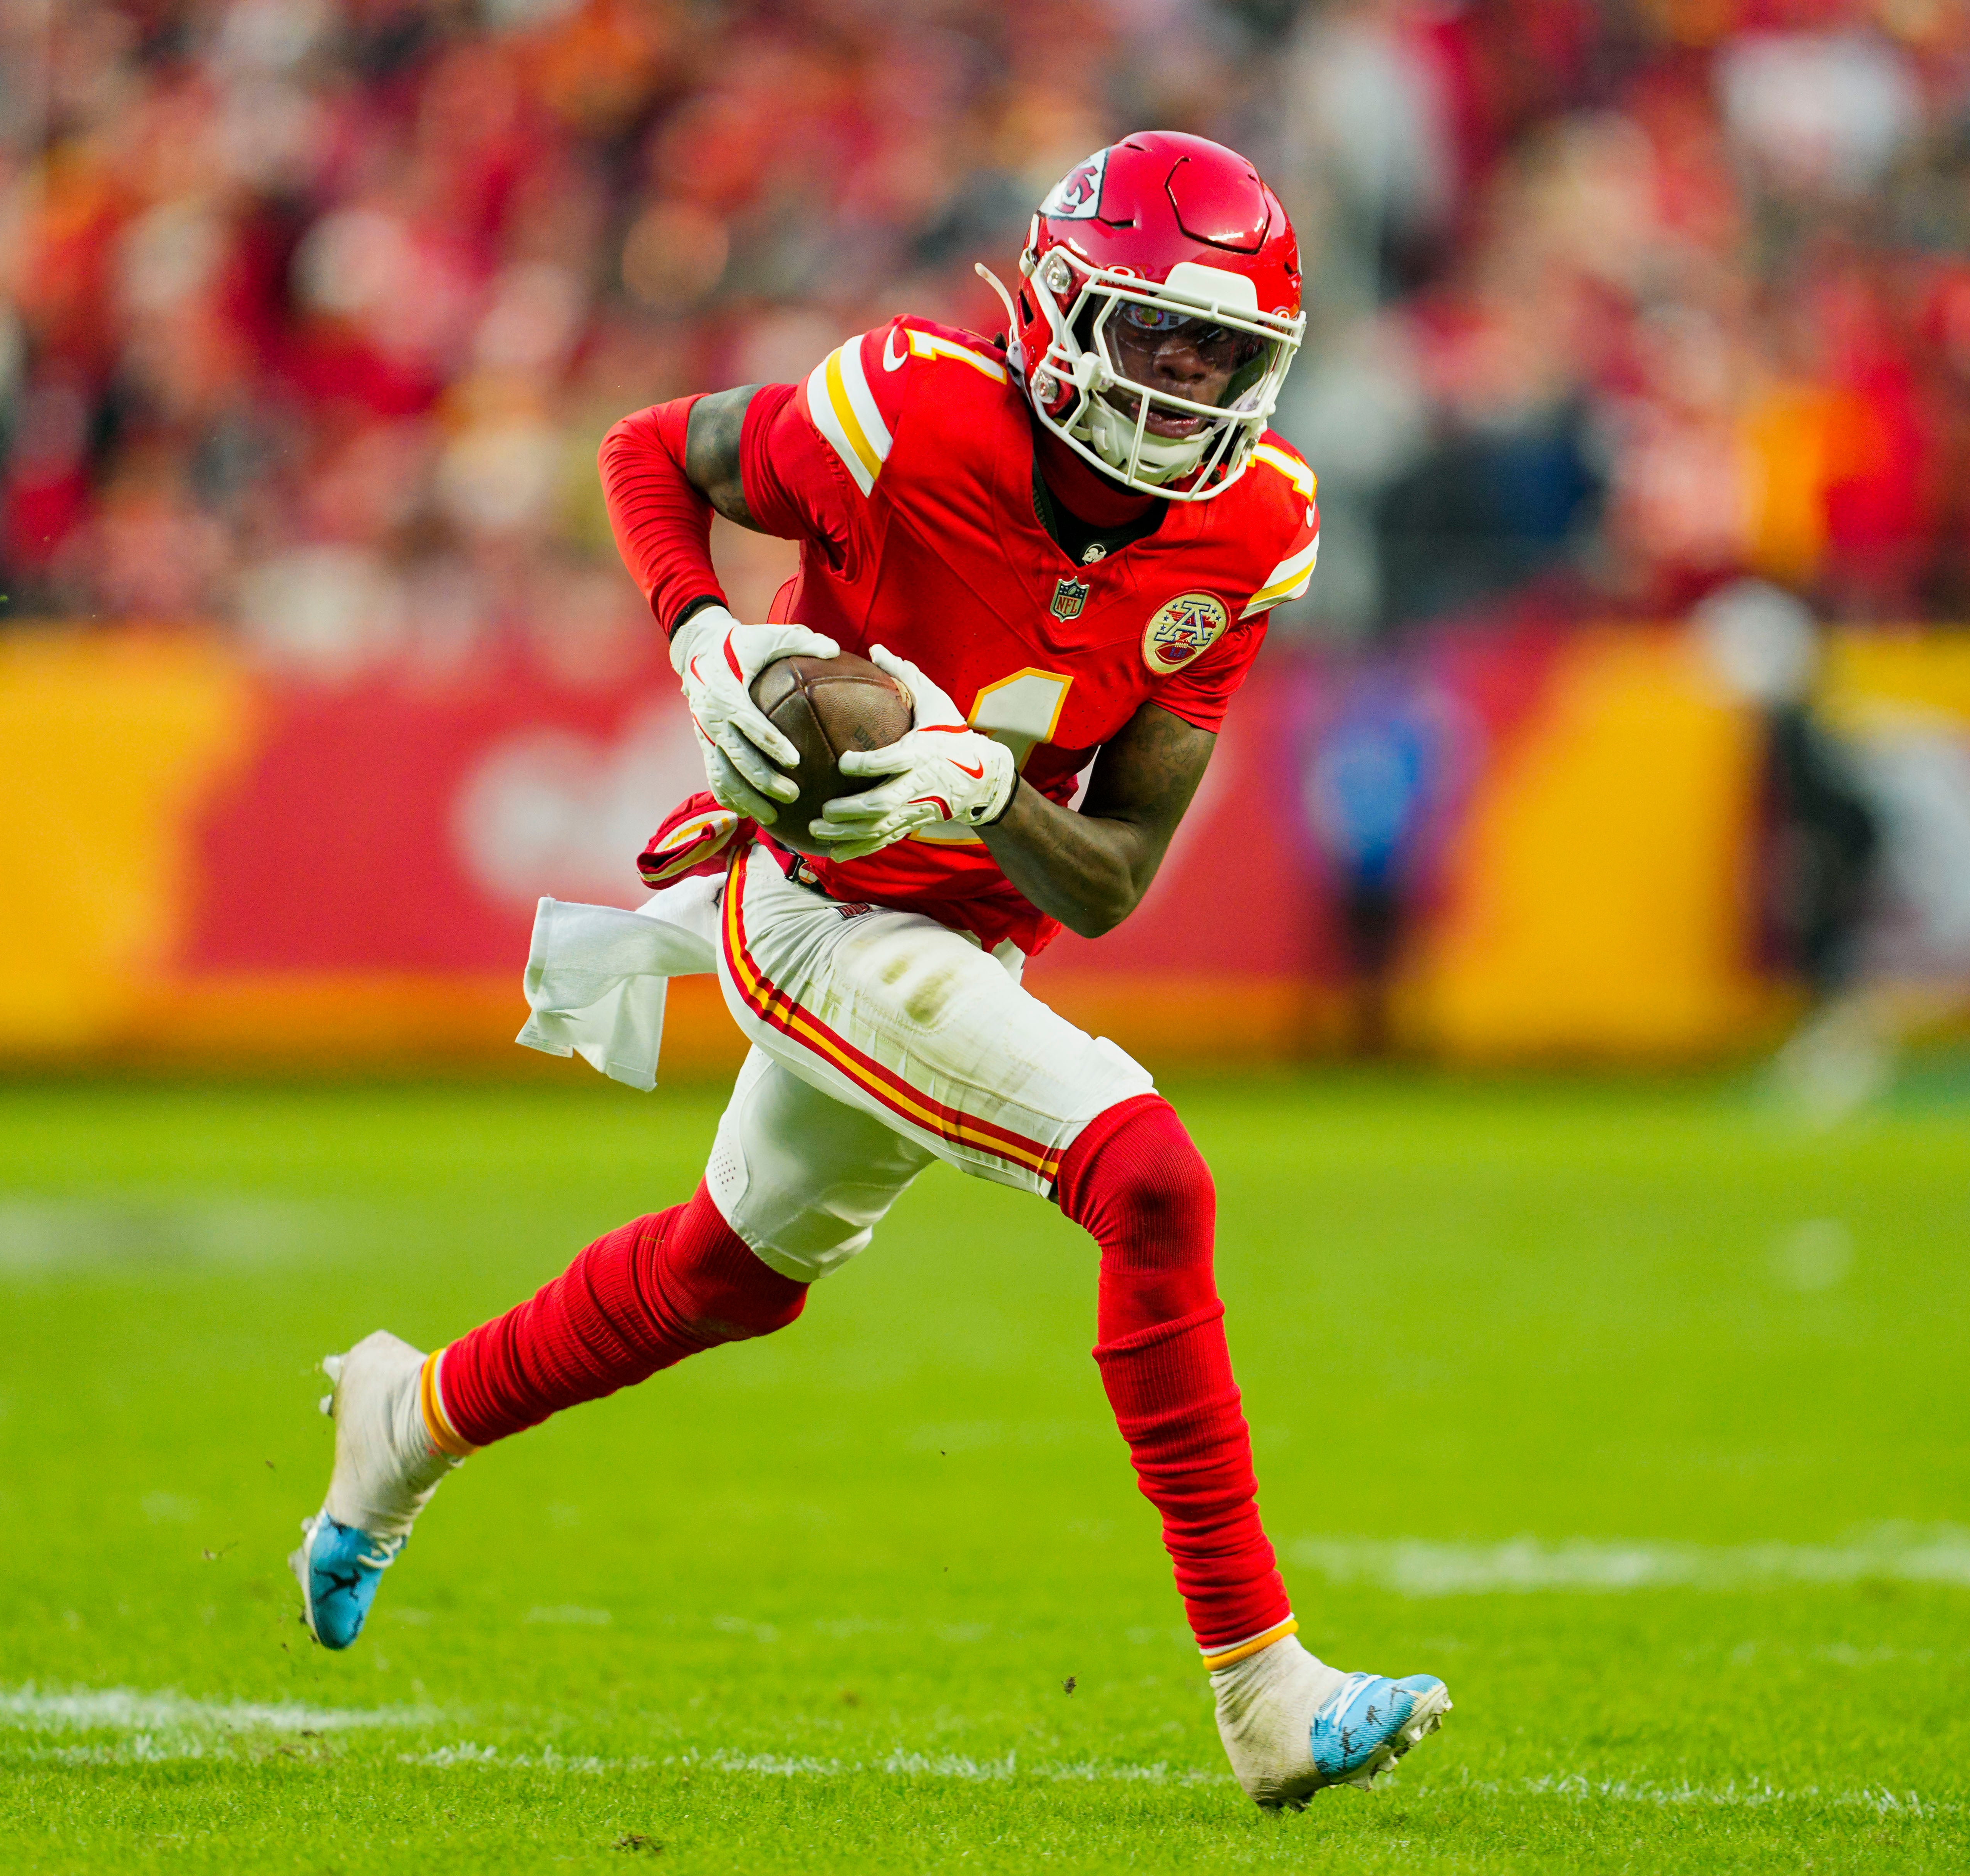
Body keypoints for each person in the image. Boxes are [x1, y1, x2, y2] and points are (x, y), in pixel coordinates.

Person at [288, 132, 1451, 1810]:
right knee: (1148, 1179)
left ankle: (406, 1420)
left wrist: (985, 787)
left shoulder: (1252, 532)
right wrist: (702, 636)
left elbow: (1109, 878)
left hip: (965, 929)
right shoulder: (907, 411)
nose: (1185, 385)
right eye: (1153, 337)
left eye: (1222, 355)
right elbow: (645, 453)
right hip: (818, 908)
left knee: (728, 1275)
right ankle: (1263, 1690)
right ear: (1054, 312)